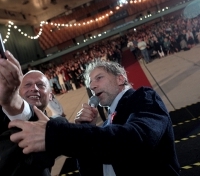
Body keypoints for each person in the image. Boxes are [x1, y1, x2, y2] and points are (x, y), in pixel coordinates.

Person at [9, 59, 180, 176]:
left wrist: (59, 134)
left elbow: (134, 140)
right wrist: (87, 129)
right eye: (90, 83)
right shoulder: (107, 124)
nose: (93, 86)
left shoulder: (143, 98)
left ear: (120, 79)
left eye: (99, 78)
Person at [0, 52, 61, 176]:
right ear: (18, 92)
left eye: (40, 85)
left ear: (50, 96)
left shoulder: (57, 127)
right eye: (27, 84)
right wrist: (11, 101)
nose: (34, 88)